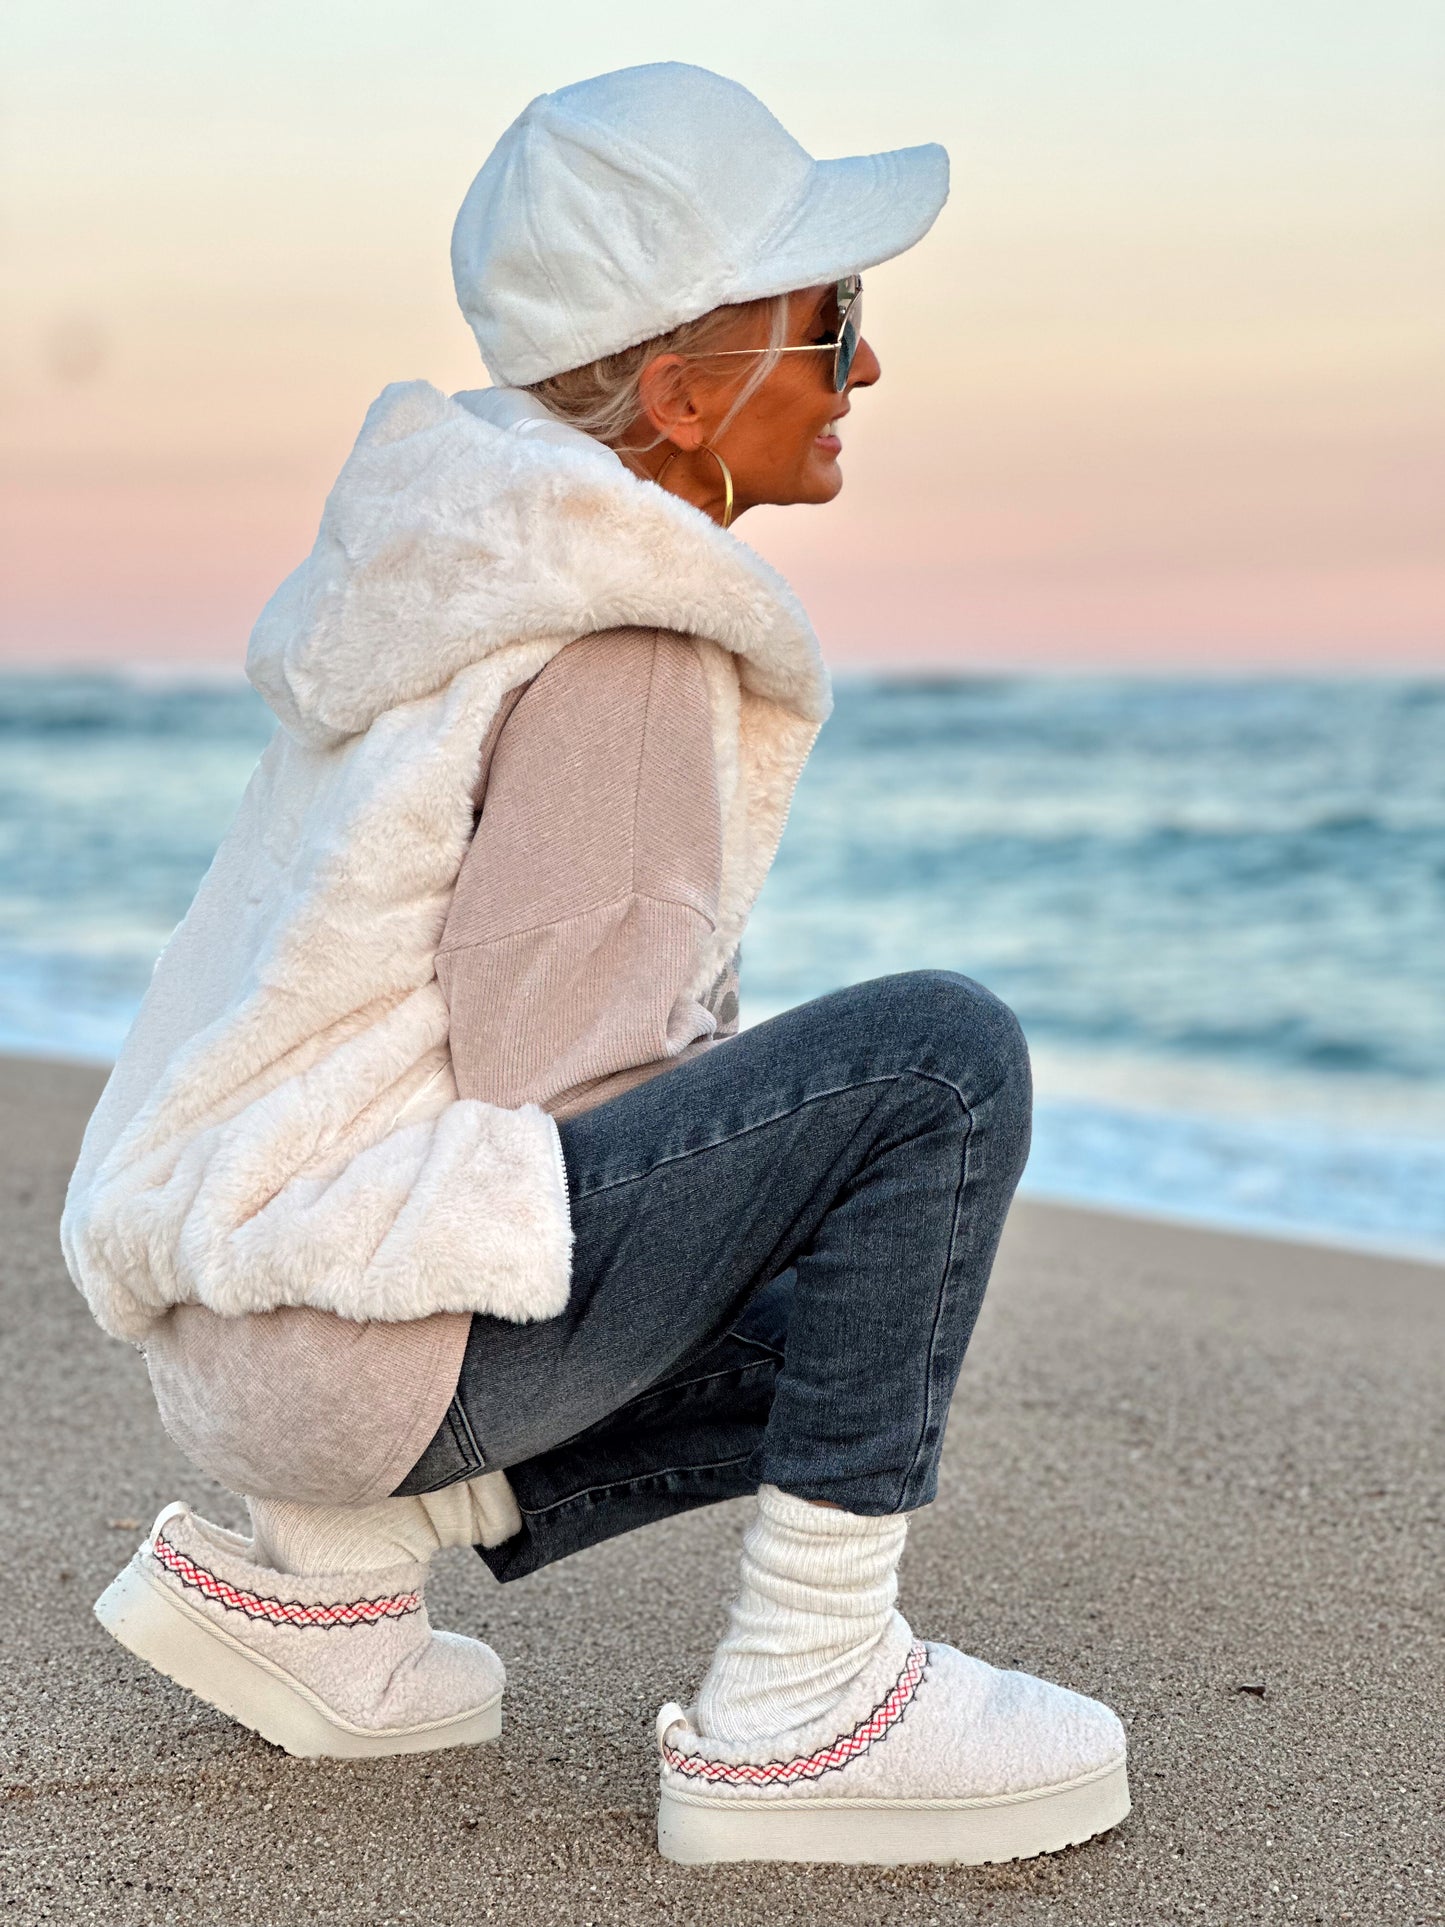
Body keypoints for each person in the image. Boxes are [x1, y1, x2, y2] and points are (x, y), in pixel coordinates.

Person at [64, 63, 1129, 1866]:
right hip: (369, 1332)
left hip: (263, 1332)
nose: (863, 367)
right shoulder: (624, 636)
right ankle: (803, 1707)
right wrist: (774, 1158)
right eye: (831, 317)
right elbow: (553, 1085)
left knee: (853, 1270)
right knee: (936, 1069)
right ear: (688, 384)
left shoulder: (436, 582)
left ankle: (330, 1578)